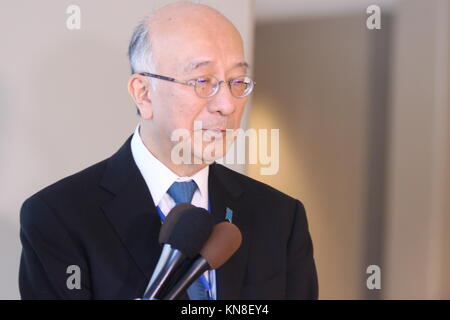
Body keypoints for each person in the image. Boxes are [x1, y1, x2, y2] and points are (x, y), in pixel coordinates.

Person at [19, 1, 318, 300]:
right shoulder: (59, 217)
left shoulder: (280, 217)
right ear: (143, 93)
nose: (227, 105)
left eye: (237, 81)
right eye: (203, 81)